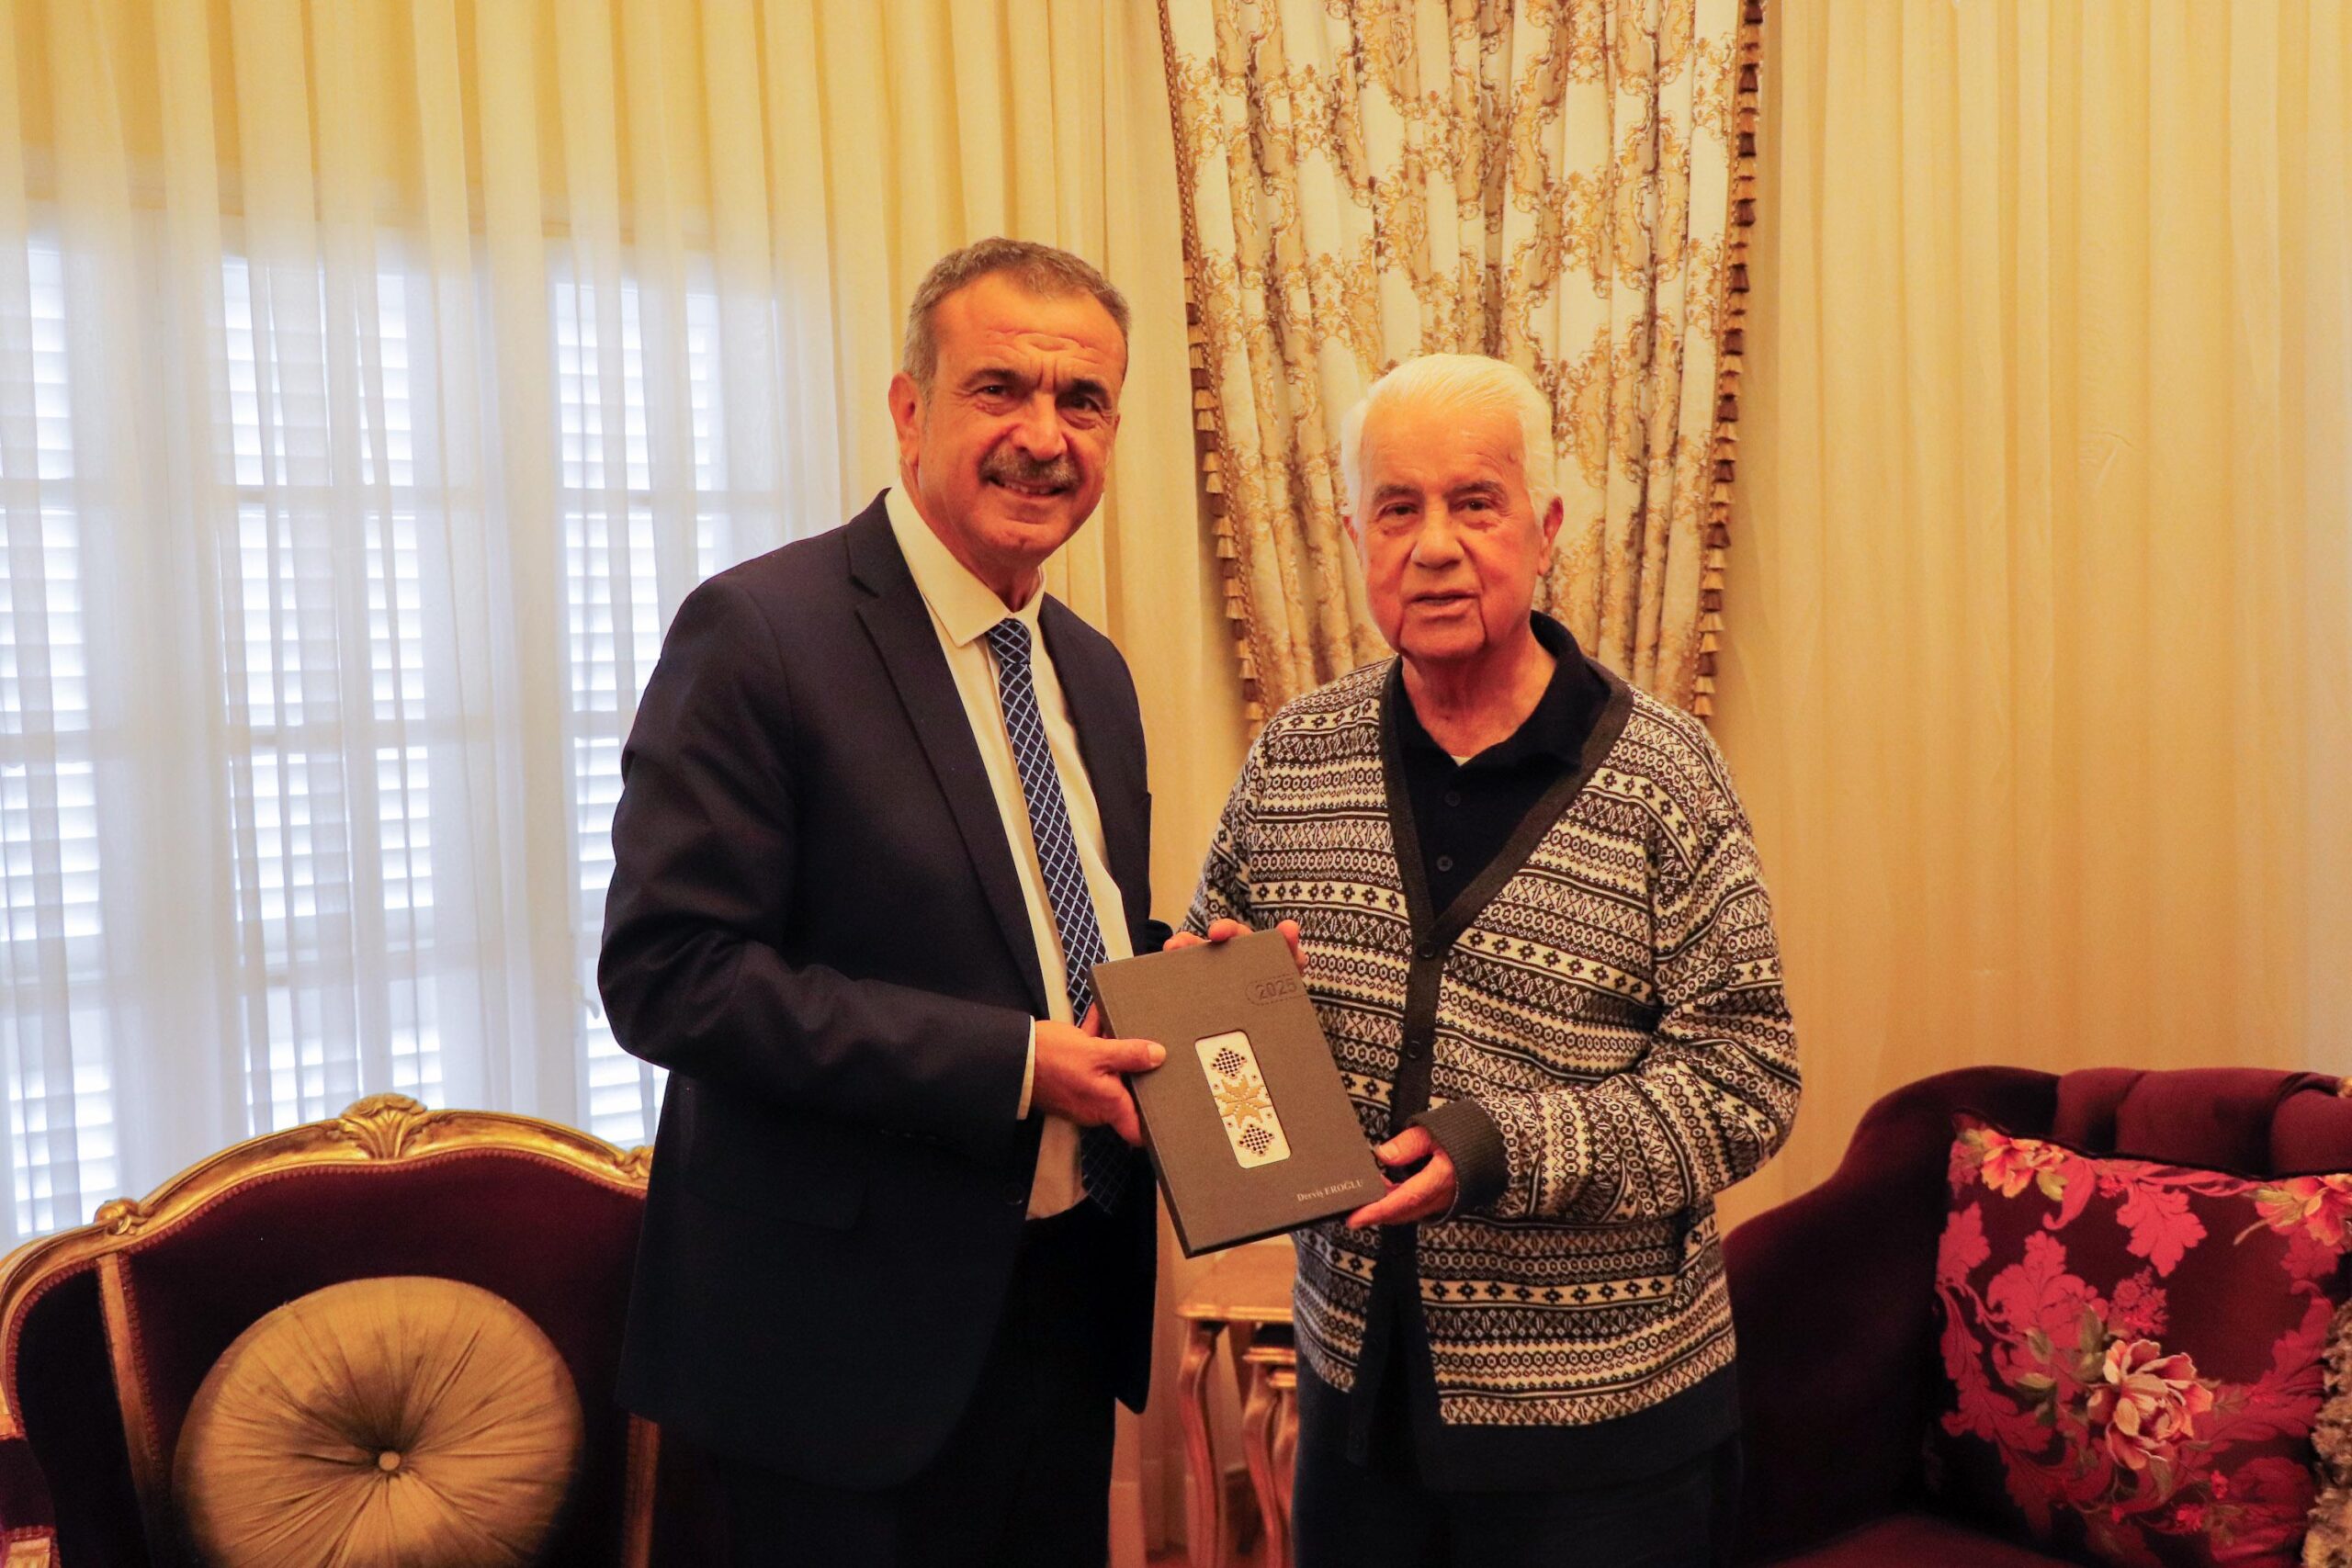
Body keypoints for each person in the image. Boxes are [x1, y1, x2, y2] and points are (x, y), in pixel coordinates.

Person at [600, 237, 1167, 1568]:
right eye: (1000, 389)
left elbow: (1052, 937)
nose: (1044, 437)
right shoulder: (759, 633)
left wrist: (1185, 977)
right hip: (835, 1358)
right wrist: (1015, 1063)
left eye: (1082, 401)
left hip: (1063, 1308)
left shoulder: (1092, 670)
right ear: (910, 410)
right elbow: (668, 975)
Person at [1182, 354, 1800, 1567]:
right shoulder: (1294, 759)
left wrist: (1499, 1148)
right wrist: (1223, 1006)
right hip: (1357, 1411)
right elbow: (1215, 1009)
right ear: (1355, 537)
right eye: (1397, 509)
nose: (1436, 547)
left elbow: (1747, 1083)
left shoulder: (1664, 775)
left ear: (1545, 528)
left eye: (1475, 503)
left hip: (1605, 1436)